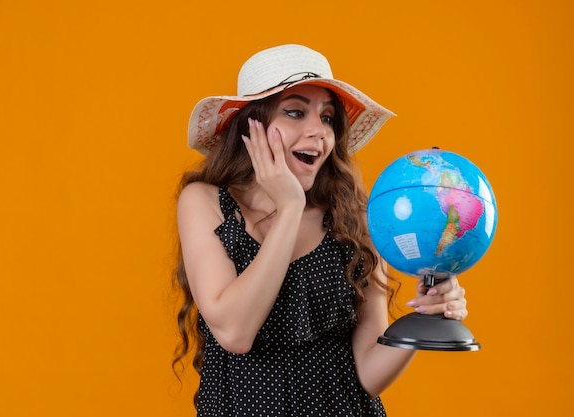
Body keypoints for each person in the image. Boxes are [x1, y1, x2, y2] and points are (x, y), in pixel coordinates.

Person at [172, 44, 468, 416]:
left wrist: (423, 319)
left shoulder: (354, 218)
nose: (319, 131)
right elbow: (234, 333)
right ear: (252, 125)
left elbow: (367, 373)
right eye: (295, 112)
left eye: (328, 118)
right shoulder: (205, 203)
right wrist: (290, 207)